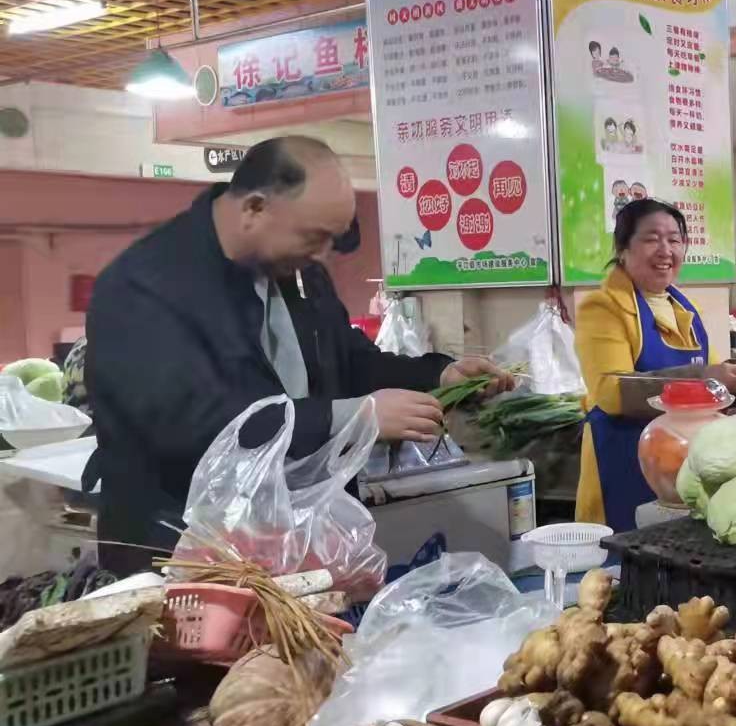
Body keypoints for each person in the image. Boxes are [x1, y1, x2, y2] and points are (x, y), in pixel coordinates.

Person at [84, 136, 512, 571]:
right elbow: (199, 425)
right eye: (314, 237)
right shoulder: (145, 288)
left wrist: (439, 376)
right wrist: (352, 419)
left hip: (280, 544)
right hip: (180, 554)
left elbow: (349, 361)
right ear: (254, 209)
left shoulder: (298, 275)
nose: (323, 254)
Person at [575, 199, 736, 529]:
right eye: (651, 238)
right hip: (623, 459)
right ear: (623, 248)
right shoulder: (603, 308)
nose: (665, 250)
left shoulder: (682, 308)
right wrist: (703, 379)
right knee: (624, 566)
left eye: (675, 239)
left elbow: (711, 371)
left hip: (683, 466)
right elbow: (611, 391)